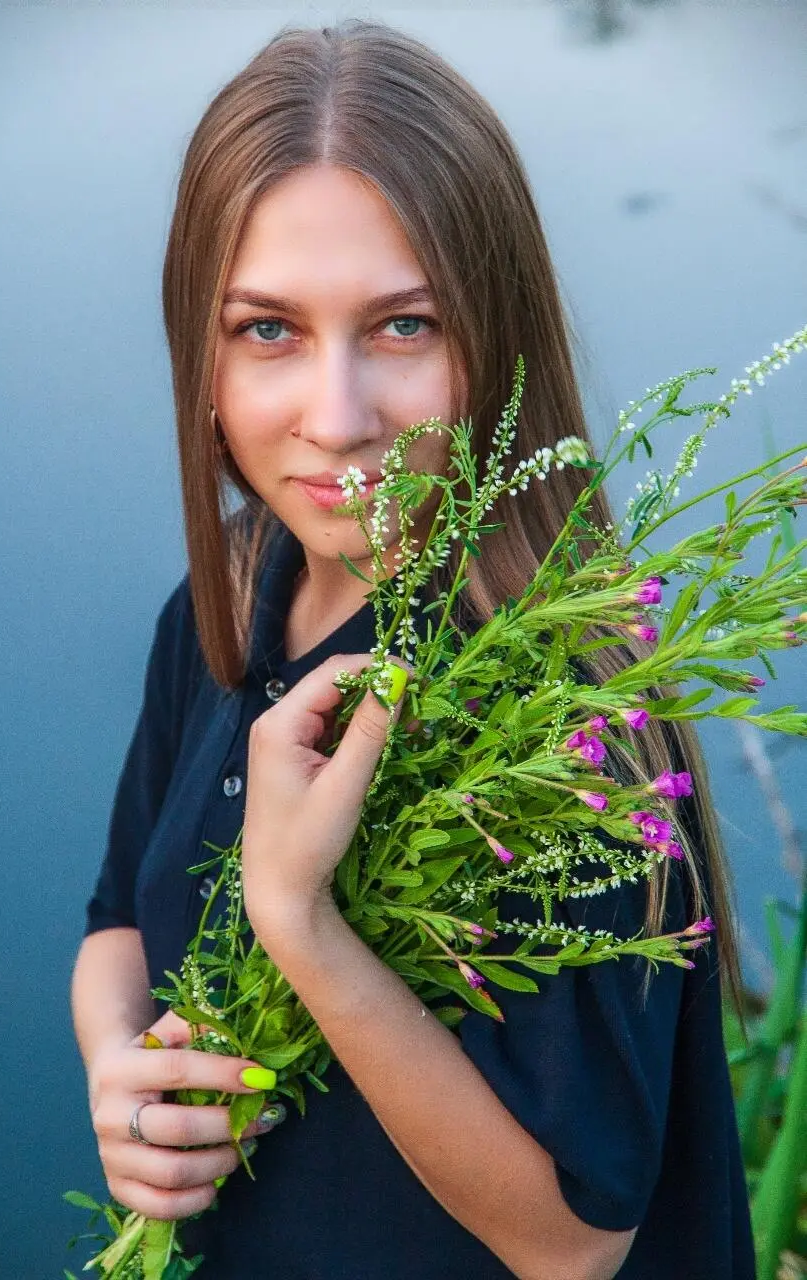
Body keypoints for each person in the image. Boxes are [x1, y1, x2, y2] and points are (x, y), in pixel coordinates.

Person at [71, 20, 756, 1279]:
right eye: (266, 330)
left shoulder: (565, 698)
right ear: (200, 352)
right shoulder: (233, 583)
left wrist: (300, 921)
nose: (335, 421)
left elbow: (572, 1242)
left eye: (403, 327)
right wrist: (124, 1073)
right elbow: (118, 913)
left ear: (494, 338)